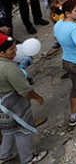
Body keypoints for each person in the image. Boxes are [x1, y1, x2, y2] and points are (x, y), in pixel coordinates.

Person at [0, 34, 47, 164]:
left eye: (15, 47)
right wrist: (38, 97)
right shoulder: (9, 68)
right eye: (12, 49)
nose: (16, 51)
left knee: (8, 131)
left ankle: (3, 156)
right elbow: (24, 90)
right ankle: (28, 159)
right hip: (13, 105)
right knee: (22, 131)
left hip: (2, 106)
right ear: (1, 52)